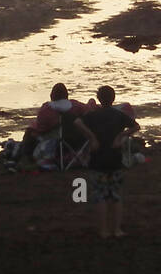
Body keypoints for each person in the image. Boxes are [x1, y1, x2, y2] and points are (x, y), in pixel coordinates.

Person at [75, 85, 139, 238]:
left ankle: (103, 230)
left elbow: (77, 122)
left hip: (97, 159)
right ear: (113, 99)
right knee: (115, 195)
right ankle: (117, 230)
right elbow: (136, 126)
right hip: (114, 159)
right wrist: (121, 136)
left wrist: (92, 137)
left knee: (100, 196)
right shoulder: (118, 115)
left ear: (98, 99)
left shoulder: (93, 115)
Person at [19, 83, 89, 161]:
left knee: (30, 131)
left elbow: (41, 128)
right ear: (66, 95)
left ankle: (25, 157)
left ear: (52, 95)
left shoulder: (47, 108)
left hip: (56, 141)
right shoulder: (76, 105)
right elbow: (88, 112)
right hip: (76, 139)